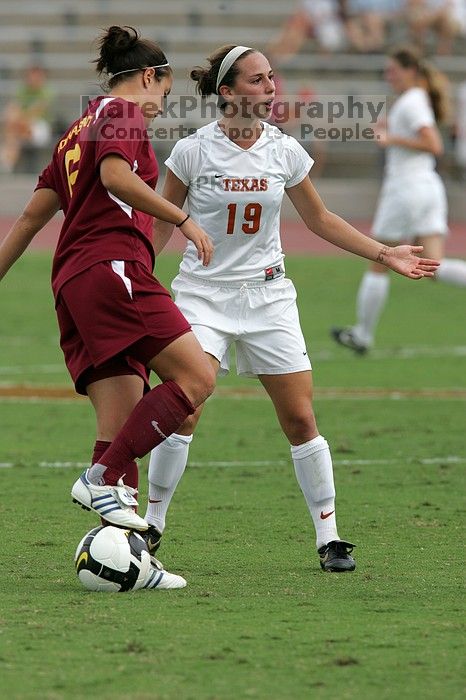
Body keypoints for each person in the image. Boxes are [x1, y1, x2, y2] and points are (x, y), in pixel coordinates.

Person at [143, 44, 439, 573]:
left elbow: (321, 219)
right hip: (202, 295)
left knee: (301, 418)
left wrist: (384, 251)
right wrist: (135, 268)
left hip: (269, 297)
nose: (269, 87)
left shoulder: (284, 150)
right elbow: (164, 219)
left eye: (271, 77)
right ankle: (153, 524)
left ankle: (329, 537)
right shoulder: (192, 151)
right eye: (257, 80)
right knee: (184, 407)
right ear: (228, 92)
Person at [0, 26, 217, 590]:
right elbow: (116, 175)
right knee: (195, 380)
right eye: (165, 93)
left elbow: (30, 218)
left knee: (122, 423)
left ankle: (131, 561)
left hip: (73, 282)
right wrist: (182, 218)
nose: (163, 106)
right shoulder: (123, 114)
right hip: (112, 268)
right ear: (149, 77)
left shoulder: (79, 128)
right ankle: (96, 477)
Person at [332, 46, 466, 355]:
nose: (388, 76)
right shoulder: (415, 100)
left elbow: (433, 144)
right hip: (428, 187)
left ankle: (362, 335)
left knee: (379, 260)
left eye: (393, 70)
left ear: (410, 71)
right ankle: (362, 334)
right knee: (433, 265)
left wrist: (390, 138)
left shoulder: (411, 101)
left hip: (406, 188)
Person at [0, 65, 54, 173]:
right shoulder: (23, 91)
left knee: (14, 129)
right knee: (13, 127)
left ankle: (6, 161)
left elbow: (36, 112)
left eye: (37, 76)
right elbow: (13, 108)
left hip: (41, 128)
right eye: (32, 76)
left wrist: (17, 118)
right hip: (23, 127)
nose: (34, 79)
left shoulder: (47, 92)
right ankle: (7, 162)